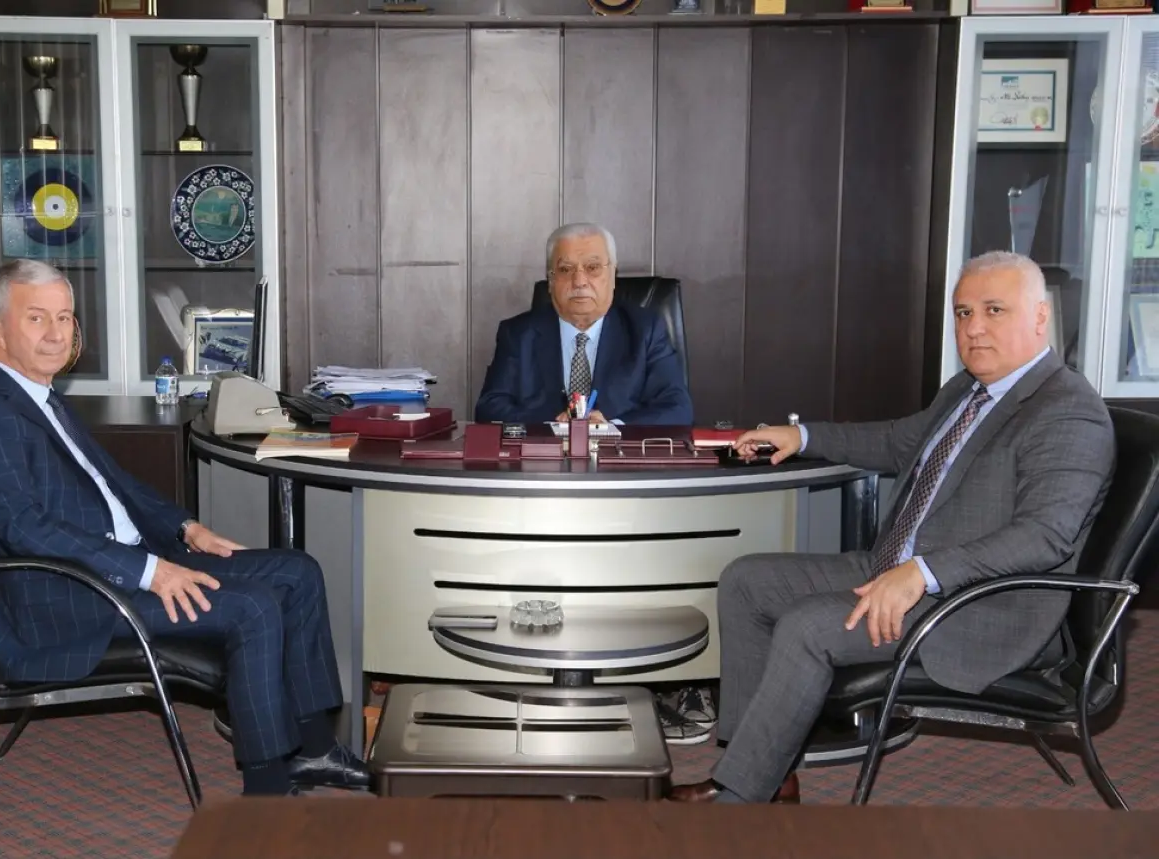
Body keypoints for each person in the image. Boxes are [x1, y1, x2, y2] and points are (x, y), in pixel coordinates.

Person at [670, 250, 1115, 804]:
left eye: (994, 310)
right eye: (963, 312)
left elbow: (1044, 536)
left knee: (808, 628)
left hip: (977, 607)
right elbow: (895, 441)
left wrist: (922, 573)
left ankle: (739, 797)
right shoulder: (968, 389)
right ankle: (763, 770)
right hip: (898, 570)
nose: (973, 328)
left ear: (1040, 316)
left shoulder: (1068, 411)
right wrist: (801, 436)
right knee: (747, 582)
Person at [0, 260, 369, 798]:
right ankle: (267, 790)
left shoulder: (36, 395)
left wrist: (186, 528)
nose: (56, 334)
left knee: (297, 572)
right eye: (36, 318)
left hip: (121, 565)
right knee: (253, 606)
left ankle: (313, 750)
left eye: (65, 317)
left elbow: (113, 483)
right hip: (70, 599)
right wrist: (149, 572)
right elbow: (25, 528)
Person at [474, 222, 694, 426]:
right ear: (550, 281)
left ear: (613, 275)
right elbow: (489, 409)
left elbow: (677, 409)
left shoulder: (646, 330)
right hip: (545, 454)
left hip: (618, 453)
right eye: (565, 269)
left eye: (593, 267)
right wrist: (555, 426)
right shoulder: (518, 334)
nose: (579, 281)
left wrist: (611, 428)